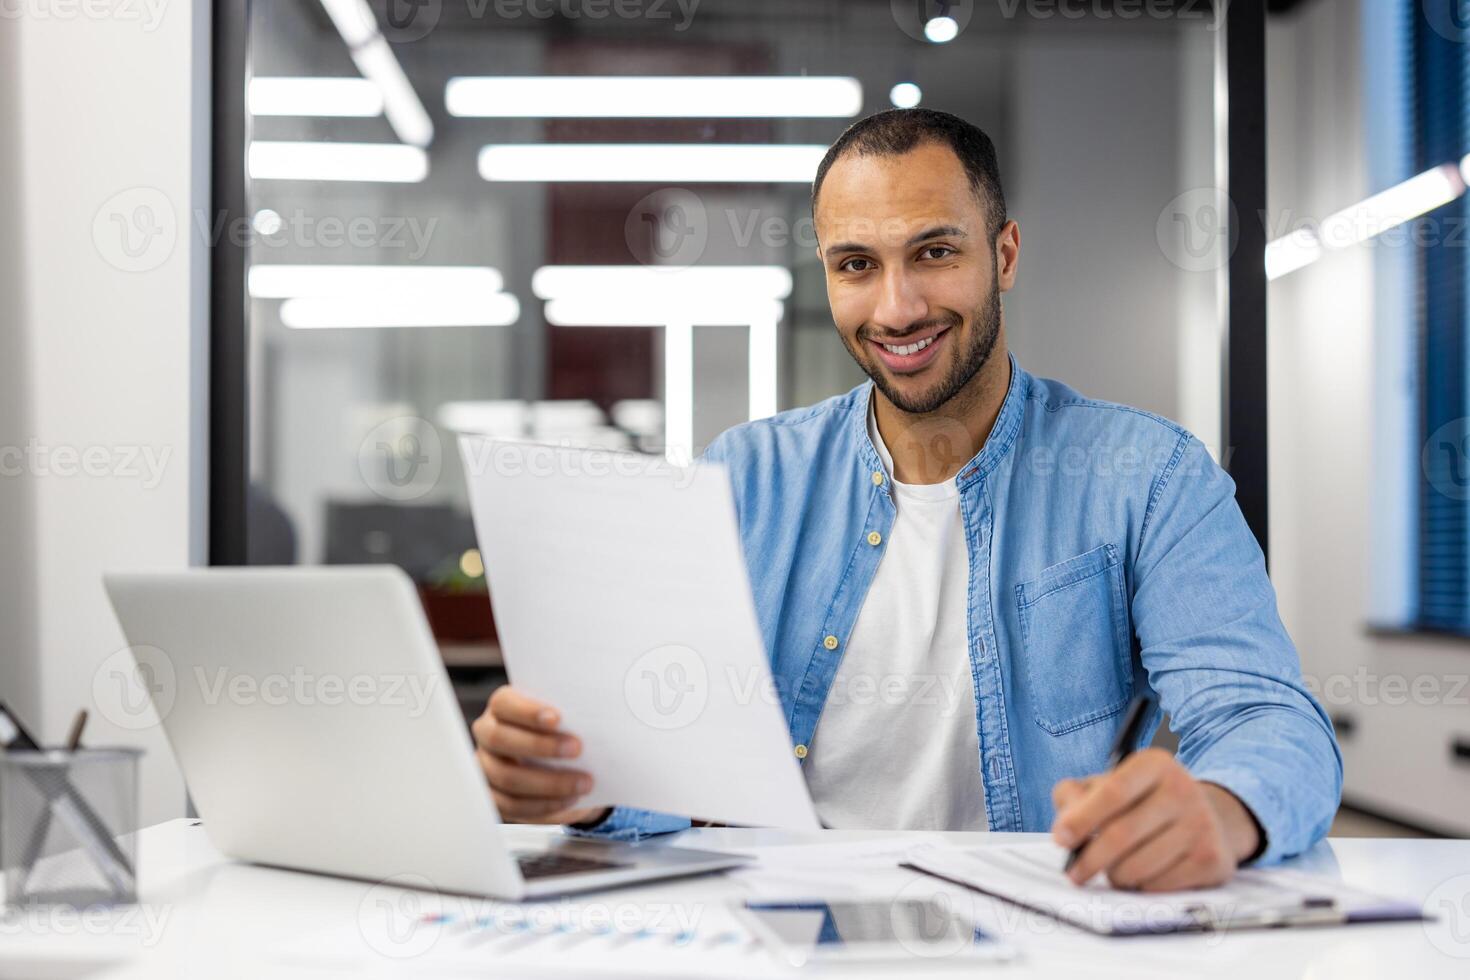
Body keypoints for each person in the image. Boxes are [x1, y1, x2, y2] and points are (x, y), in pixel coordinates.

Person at [471, 108, 1342, 892]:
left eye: (933, 252)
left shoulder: (1145, 476)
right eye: (857, 265)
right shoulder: (744, 479)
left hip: (1037, 930)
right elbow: (668, 773)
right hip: (779, 930)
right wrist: (579, 789)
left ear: (1002, 254)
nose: (897, 307)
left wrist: (1227, 808)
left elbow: (1267, 719)